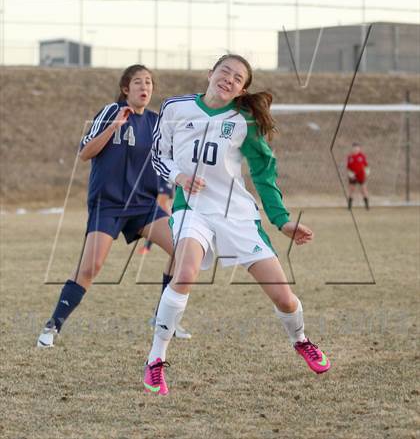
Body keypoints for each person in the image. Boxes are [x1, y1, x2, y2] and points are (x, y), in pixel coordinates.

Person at [143, 54, 330, 395]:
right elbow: (158, 155)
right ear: (210, 73)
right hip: (192, 209)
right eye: (224, 71)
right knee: (185, 272)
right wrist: (178, 176)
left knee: (285, 299)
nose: (228, 79)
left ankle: (301, 340)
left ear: (243, 88)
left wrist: (281, 220)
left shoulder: (245, 120)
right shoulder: (175, 108)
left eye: (237, 77)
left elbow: (263, 172)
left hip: (237, 215)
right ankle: (155, 360)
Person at [37, 64, 191, 348]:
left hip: (143, 205)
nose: (144, 87)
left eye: (148, 82)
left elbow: (167, 162)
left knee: (184, 249)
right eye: (137, 82)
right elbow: (85, 153)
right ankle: (52, 326)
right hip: (108, 204)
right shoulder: (111, 111)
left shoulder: (157, 122)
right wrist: (114, 127)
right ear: (125, 89)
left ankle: (163, 317)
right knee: (90, 267)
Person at [347, 142, 370, 210]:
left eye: (357, 148)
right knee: (351, 190)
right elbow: (348, 167)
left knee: (364, 190)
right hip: (353, 176)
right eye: (354, 148)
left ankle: (367, 205)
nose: (356, 149)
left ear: (359, 149)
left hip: (361, 176)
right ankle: (349, 206)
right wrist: (351, 174)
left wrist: (367, 173)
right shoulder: (350, 157)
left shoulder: (362, 156)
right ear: (352, 149)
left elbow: (366, 166)